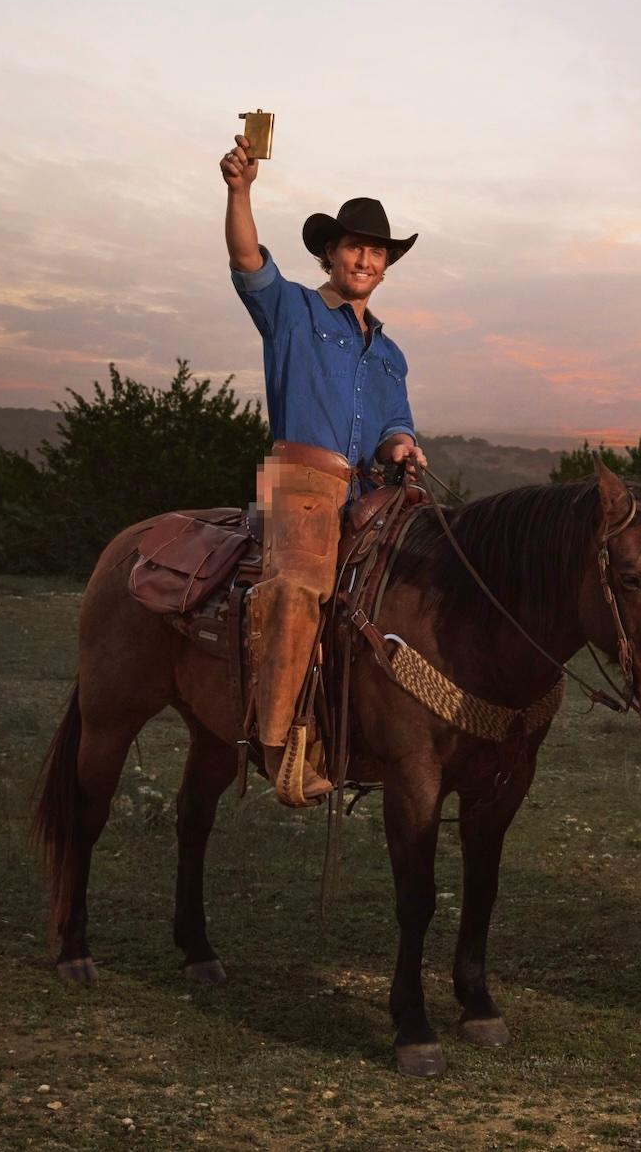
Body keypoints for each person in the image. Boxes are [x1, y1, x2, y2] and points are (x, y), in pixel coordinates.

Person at [221, 133, 429, 805]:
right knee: (299, 582)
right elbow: (248, 260)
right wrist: (240, 192)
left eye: (376, 251)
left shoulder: (391, 352)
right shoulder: (295, 313)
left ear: (386, 264)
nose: (365, 259)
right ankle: (282, 746)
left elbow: (397, 421)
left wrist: (401, 445)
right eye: (353, 247)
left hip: (371, 491)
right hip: (304, 481)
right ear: (330, 254)